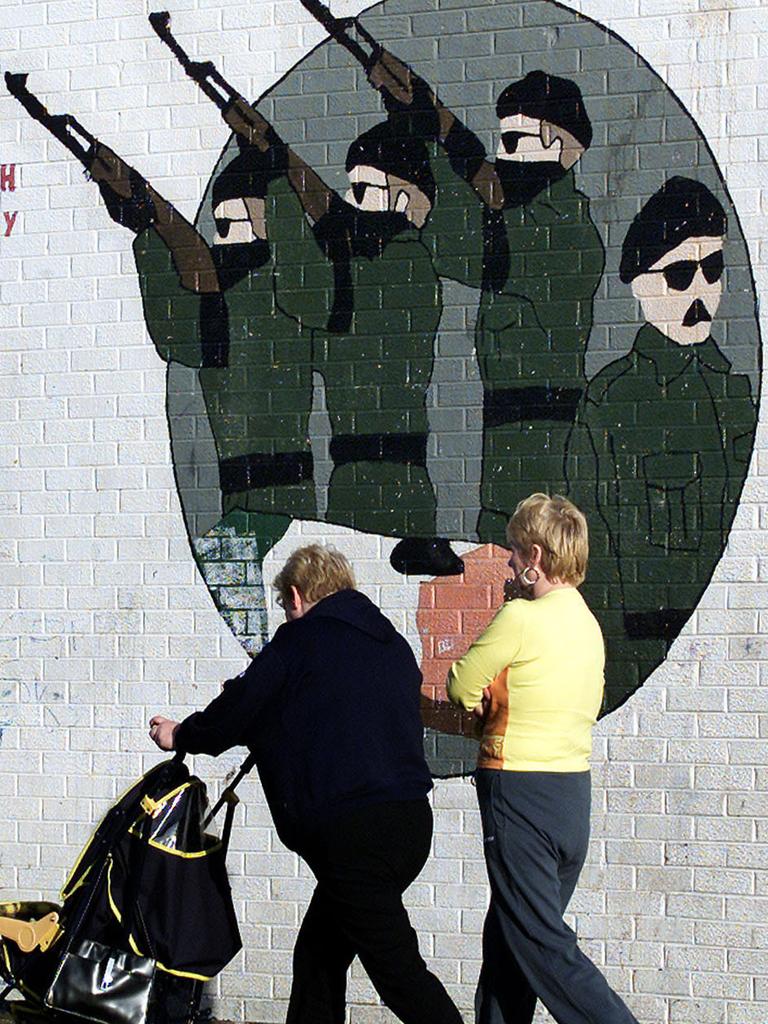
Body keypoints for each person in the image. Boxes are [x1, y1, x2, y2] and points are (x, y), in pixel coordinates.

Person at [148, 544, 464, 1024]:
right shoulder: (391, 643)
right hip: (409, 824)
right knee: (318, 957)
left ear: (295, 596)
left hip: (354, 836)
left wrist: (181, 735)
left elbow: (240, 709)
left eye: (285, 607)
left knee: (397, 969)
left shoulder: (300, 643)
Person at [565, 176, 758, 710]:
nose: (701, 292)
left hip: (734, 660)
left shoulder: (735, 395)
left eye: (712, 269)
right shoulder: (610, 404)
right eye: (679, 274)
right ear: (642, 286)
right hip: (643, 666)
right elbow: (591, 557)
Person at [446, 494, 640, 1024]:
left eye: (512, 551)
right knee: (511, 937)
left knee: (541, 944)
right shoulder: (588, 626)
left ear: (534, 555)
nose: (508, 562)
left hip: (519, 793)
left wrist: (486, 692)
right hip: (571, 799)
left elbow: (461, 684)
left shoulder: (521, 618)